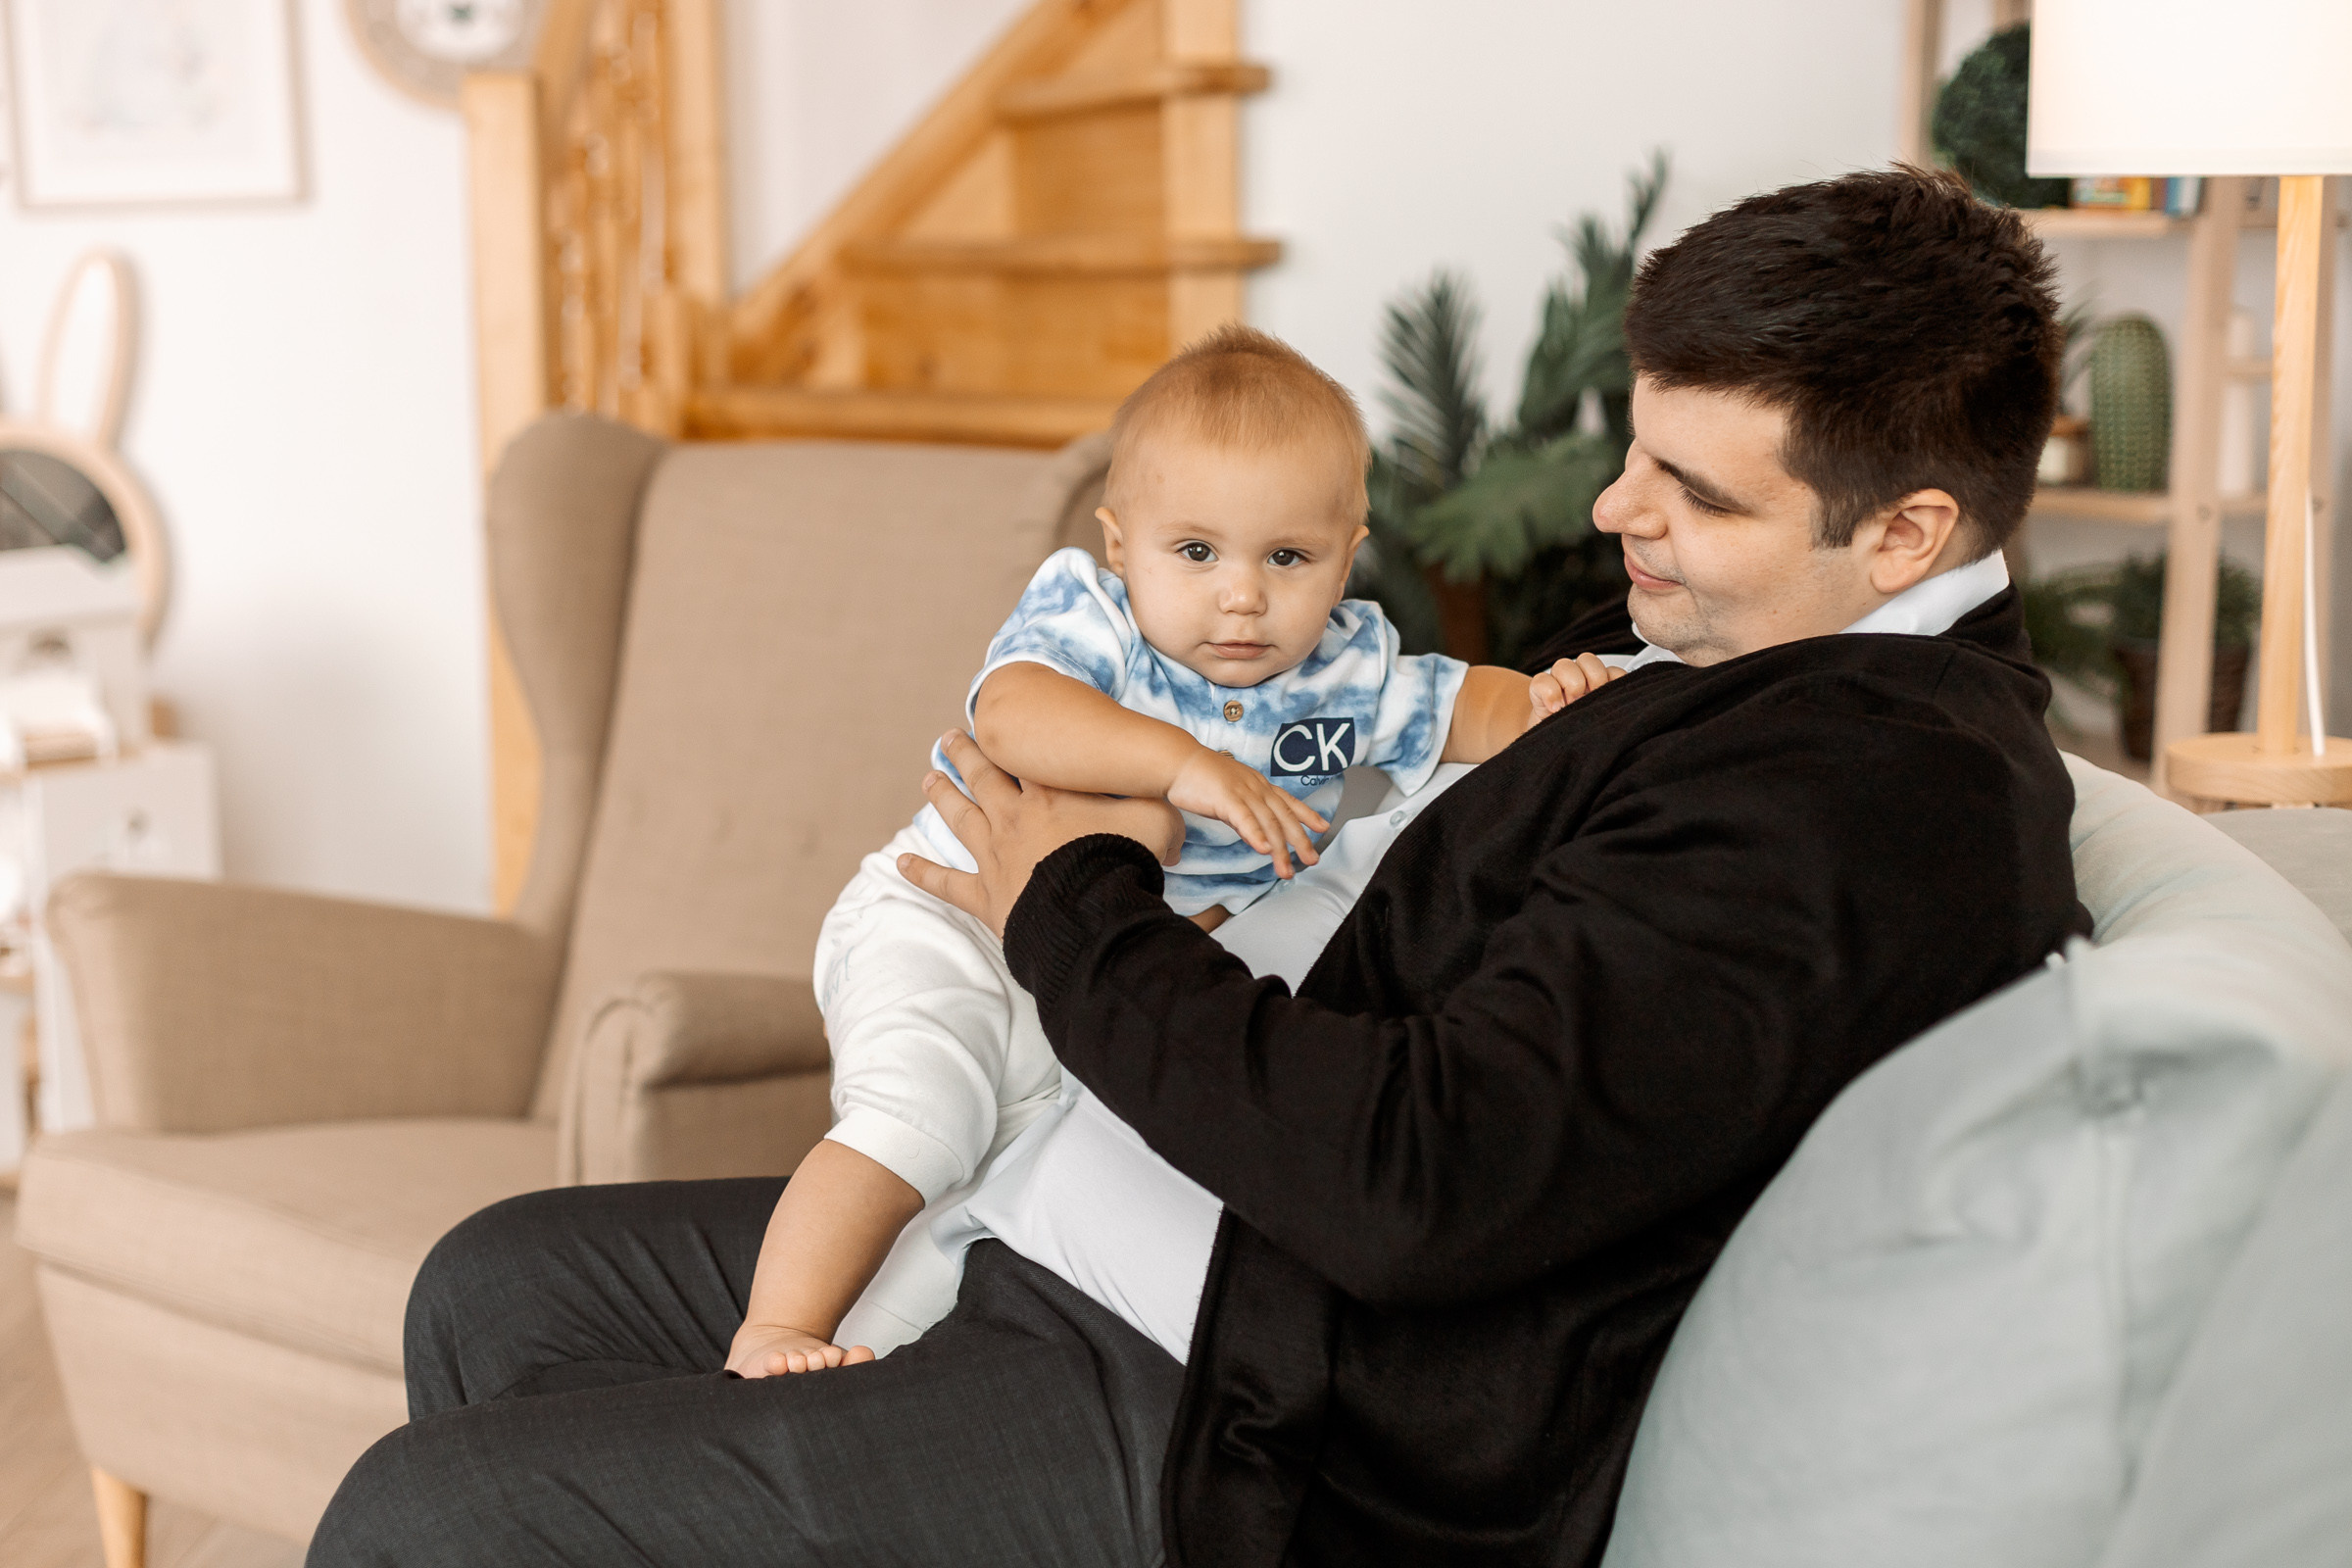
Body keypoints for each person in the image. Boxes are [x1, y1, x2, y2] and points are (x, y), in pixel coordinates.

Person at [308, 167, 2089, 1568]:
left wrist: (1062, 896)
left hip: (1229, 1405)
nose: (1616, 512)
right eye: (1634, 450)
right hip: (1098, 1228)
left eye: (1690, 489)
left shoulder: (1872, 794)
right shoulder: (1753, 662)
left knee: (432, 1521)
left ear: (1909, 531)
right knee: (502, 1279)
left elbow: (1418, 1178)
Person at [746, 326, 1615, 1378]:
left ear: (1347, 553)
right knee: (923, 1117)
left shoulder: (1350, 670)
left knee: (1006, 1182)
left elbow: (1464, 706)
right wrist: (1181, 763)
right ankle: (775, 1327)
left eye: (1287, 557)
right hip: (948, 924)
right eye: (1195, 552)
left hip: (1079, 971)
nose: (1241, 595)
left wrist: (1549, 702)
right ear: (1122, 545)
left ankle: (868, 1360)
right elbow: (1014, 713)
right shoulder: (1094, 619)